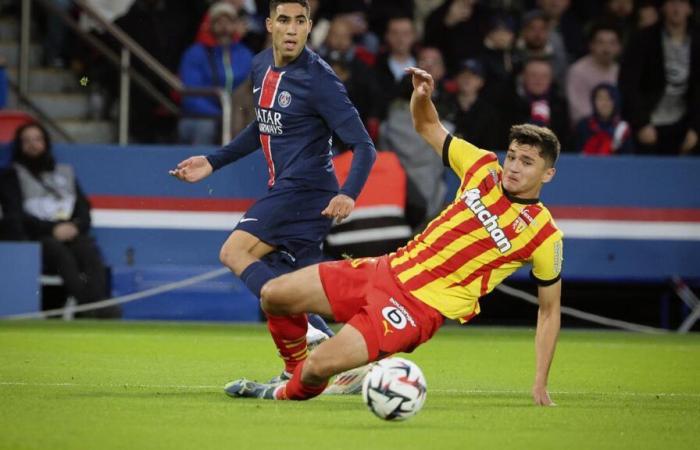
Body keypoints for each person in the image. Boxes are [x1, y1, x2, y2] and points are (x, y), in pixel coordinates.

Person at [224, 66, 564, 407]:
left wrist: (539, 382)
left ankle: (283, 392)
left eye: (528, 162)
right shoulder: (483, 167)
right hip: (384, 269)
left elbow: (549, 313)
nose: (514, 167)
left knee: (318, 367)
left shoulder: (545, 236)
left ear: (547, 174)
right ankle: (290, 372)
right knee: (274, 295)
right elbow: (427, 126)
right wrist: (422, 98)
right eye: (513, 156)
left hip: (416, 308)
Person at [170, 0, 376, 387]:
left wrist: (349, 193)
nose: (293, 29)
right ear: (269, 25)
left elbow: (364, 145)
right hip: (288, 190)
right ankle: (325, 364)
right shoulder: (260, 64)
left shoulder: (320, 80)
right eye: (284, 20)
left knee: (234, 252)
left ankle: (308, 336)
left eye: (301, 21)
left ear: (310, 26)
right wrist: (214, 162)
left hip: (307, 190)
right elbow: (262, 125)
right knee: (289, 285)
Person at [0, 123, 120, 318]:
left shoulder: (64, 172)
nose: (33, 145)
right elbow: (15, 215)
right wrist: (52, 229)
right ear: (19, 145)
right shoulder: (10, 175)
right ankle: (88, 308)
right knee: (58, 252)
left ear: (46, 143)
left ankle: (99, 303)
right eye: (27, 140)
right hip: (37, 238)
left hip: (70, 233)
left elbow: (83, 209)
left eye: (37, 139)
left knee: (87, 248)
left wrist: (75, 226)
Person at [618, 0, 699, 155]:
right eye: (671, 2)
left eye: (682, 3)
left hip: (685, 123)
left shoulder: (697, 40)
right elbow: (628, 84)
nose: (676, 8)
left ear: (690, 8)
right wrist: (640, 123)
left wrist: (696, 128)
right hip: (649, 122)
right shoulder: (643, 39)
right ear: (663, 7)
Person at [178, 2, 255, 145]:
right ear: (209, 26)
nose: (224, 28)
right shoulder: (195, 53)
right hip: (204, 117)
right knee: (204, 127)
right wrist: (223, 116)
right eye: (219, 22)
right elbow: (190, 96)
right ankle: (200, 166)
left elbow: (253, 88)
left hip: (238, 115)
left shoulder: (245, 54)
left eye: (229, 22)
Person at [566, 21, 622, 126]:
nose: (606, 48)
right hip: (587, 130)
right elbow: (577, 111)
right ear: (591, 45)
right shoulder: (578, 71)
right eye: (601, 42)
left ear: (619, 47)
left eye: (612, 43)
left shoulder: (621, 71)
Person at [574, 83, 633, 155]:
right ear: (593, 101)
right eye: (600, 98)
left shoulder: (623, 128)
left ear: (616, 101)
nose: (604, 103)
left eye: (609, 99)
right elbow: (576, 155)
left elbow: (628, 158)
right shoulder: (583, 125)